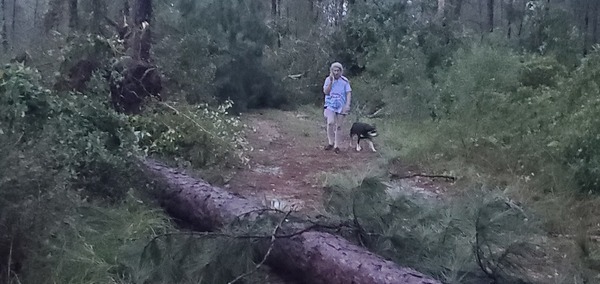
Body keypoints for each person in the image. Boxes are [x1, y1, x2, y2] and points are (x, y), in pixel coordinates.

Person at [322, 62, 351, 154]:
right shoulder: (328, 79)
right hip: (330, 104)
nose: (336, 72)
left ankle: (336, 146)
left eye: (338, 70)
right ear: (332, 71)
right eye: (334, 70)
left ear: (341, 71)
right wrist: (331, 81)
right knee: (330, 122)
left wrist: (347, 105)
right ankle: (330, 142)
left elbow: (348, 93)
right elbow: (326, 92)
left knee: (338, 126)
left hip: (341, 105)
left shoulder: (344, 81)